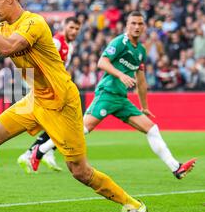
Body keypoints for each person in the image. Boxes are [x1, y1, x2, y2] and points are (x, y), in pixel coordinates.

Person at [0, 0, 147, 212]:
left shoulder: (33, 22)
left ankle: (133, 205)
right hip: (36, 99)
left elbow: (7, 49)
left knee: (80, 171)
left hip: (62, 102)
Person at [80, 11, 196, 179]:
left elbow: (141, 82)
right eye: (133, 23)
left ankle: (176, 168)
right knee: (83, 129)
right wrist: (120, 75)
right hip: (107, 94)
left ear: (144, 27)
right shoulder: (120, 42)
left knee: (152, 129)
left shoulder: (141, 50)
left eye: (140, 24)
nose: (136, 27)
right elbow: (102, 62)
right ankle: (40, 150)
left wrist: (145, 107)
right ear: (127, 25)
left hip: (121, 99)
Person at [17, 16, 81, 173]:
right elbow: (42, 61)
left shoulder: (70, 45)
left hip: (57, 87)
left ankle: (44, 152)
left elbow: (61, 67)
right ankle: (37, 153)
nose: (74, 31)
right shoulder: (57, 41)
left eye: (77, 29)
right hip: (47, 88)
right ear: (64, 26)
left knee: (58, 124)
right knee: (62, 124)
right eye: (71, 27)